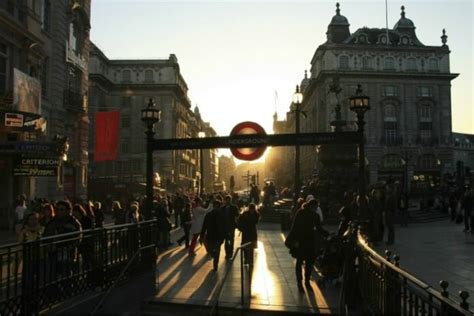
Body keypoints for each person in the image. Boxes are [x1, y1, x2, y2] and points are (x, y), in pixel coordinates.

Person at [286, 199, 327, 292]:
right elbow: (295, 227)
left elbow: (319, 228)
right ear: (312, 206)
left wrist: (327, 234)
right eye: (315, 207)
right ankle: (303, 283)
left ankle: (304, 282)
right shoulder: (304, 213)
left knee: (303, 263)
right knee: (305, 263)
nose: (316, 209)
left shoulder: (306, 214)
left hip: (305, 242)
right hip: (304, 242)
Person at [200, 199, 226, 271]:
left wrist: (225, 235)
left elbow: (224, 226)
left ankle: (215, 264)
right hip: (210, 236)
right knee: (210, 250)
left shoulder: (221, 215)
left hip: (218, 236)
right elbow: (204, 226)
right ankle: (214, 256)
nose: (216, 208)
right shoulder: (208, 215)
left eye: (217, 206)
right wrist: (201, 236)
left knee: (217, 250)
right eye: (215, 206)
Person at [222, 195, 240, 259]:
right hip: (225, 226)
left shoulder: (234, 207)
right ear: (225, 200)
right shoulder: (223, 208)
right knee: (226, 239)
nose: (228, 201)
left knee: (231, 239)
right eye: (227, 200)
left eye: (229, 200)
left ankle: (231, 251)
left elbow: (237, 215)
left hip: (232, 225)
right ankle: (227, 252)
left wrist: (235, 221)